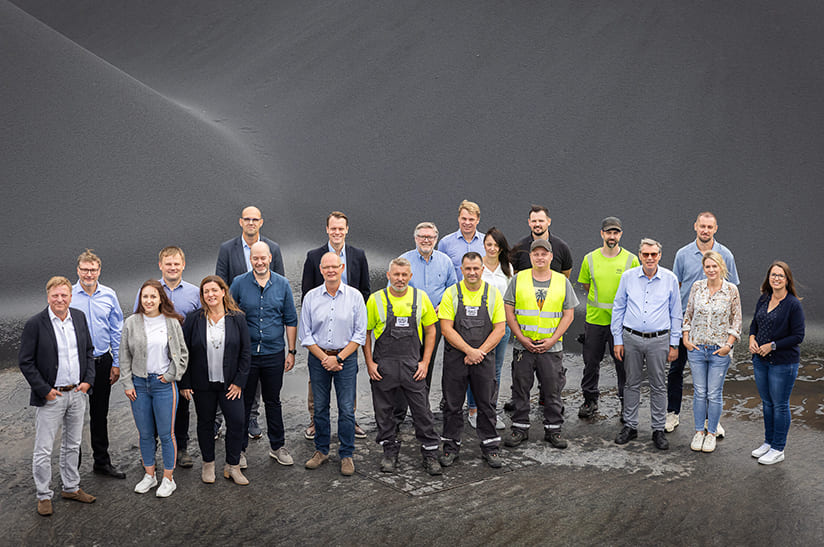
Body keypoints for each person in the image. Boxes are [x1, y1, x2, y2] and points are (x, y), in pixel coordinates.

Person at [19, 276, 97, 516]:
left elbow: (88, 352)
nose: (60, 299)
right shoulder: (36, 324)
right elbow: (26, 361)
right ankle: (43, 495)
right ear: (48, 297)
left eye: (64, 295)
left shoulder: (79, 318)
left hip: (77, 392)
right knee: (43, 448)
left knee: (73, 444)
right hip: (51, 397)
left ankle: (71, 487)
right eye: (55, 295)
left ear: (70, 296)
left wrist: (88, 382)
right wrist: (44, 390)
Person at [363, 257, 443, 475]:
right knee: (384, 412)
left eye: (404, 275)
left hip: (412, 367)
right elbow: (366, 334)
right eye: (396, 274)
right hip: (384, 367)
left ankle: (430, 454)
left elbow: (431, 331)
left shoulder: (421, 298)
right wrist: (370, 363)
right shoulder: (375, 299)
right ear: (388, 275)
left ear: (410, 276)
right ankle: (389, 451)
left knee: (423, 411)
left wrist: (425, 362)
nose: (400, 279)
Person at [216, 206, 285, 440]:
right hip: (238, 324)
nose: (251, 223)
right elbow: (221, 284)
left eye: (255, 219)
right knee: (235, 374)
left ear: (261, 222)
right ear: (240, 222)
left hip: (264, 327)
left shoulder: (272, 248)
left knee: (260, 382)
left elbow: (280, 283)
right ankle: (224, 420)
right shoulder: (227, 249)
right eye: (247, 219)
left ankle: (252, 418)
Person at [667, 212, 739, 433]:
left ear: (715, 228)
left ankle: (711, 421)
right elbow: (675, 287)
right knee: (676, 370)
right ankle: (672, 413)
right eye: (702, 226)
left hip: (715, 331)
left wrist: (729, 336)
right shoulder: (682, 254)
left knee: (711, 381)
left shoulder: (725, 254)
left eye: (709, 227)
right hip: (686, 325)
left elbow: (733, 292)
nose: (705, 230)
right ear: (695, 227)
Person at [301, 211, 370, 440]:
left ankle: (350, 421)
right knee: (317, 385)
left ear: (347, 230)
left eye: (341, 228)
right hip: (322, 332)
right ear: (327, 230)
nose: (337, 232)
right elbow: (307, 292)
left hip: (348, 332)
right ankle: (314, 421)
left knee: (348, 382)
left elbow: (365, 290)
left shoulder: (358, 255)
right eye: (333, 228)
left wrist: (357, 323)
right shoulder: (313, 256)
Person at [503, 240, 578, 449]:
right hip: (523, 348)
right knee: (520, 389)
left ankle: (553, 430)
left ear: (551, 257)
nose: (540, 257)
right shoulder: (519, 279)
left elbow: (568, 314)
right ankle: (519, 428)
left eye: (544, 254)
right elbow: (509, 310)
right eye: (536, 254)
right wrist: (521, 338)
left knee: (552, 390)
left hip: (551, 349)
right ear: (531, 257)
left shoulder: (562, 282)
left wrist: (552, 340)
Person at [231, 241, 298, 467]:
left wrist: (291, 351)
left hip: (273, 354)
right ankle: (239, 451)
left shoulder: (282, 284)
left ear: (270, 258)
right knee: (243, 403)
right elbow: (230, 316)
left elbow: (290, 319)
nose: (259, 262)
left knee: (273, 401)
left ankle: (277, 446)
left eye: (263, 258)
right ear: (251, 260)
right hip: (246, 356)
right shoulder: (239, 283)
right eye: (255, 259)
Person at [133, 246, 202, 468]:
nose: (172, 268)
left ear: (183, 265)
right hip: (153, 357)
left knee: (182, 404)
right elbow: (137, 320)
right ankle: (150, 450)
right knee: (151, 404)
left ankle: (181, 448)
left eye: (176, 264)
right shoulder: (149, 291)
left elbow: (201, 324)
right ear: (160, 265)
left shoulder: (193, 293)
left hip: (182, 359)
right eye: (168, 264)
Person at [299, 252, 367, 476]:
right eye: (326, 267)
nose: (330, 270)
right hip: (318, 360)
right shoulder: (310, 297)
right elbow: (306, 335)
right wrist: (325, 359)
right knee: (320, 408)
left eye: (334, 267)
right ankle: (321, 451)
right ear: (320, 269)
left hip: (345, 360)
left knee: (347, 410)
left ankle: (346, 454)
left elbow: (359, 335)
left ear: (342, 267)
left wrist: (338, 359)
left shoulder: (355, 296)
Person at [120, 280, 188, 497]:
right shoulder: (131, 322)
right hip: (139, 386)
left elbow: (182, 354)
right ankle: (150, 475)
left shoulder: (171, 322)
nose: (148, 301)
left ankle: (168, 478)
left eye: (153, 296)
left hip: (163, 385)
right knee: (145, 434)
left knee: (167, 434)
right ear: (140, 299)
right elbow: (124, 356)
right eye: (145, 297)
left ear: (161, 299)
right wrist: (128, 383)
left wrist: (170, 376)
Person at [612, 239, 681, 450]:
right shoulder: (628, 277)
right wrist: (617, 340)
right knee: (631, 383)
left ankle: (658, 429)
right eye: (645, 254)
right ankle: (630, 426)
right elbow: (618, 308)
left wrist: (674, 344)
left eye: (653, 254)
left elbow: (676, 314)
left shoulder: (670, 279)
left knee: (658, 385)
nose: (649, 258)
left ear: (659, 255)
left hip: (659, 340)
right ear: (639, 255)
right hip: (631, 338)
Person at [181, 276, 251, 485]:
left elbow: (246, 352)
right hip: (203, 384)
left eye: (214, 290)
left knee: (237, 422)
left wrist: (239, 381)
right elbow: (184, 351)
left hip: (230, 384)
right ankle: (208, 463)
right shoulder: (194, 319)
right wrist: (185, 382)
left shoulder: (237, 318)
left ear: (223, 292)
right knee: (205, 423)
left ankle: (233, 465)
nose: (210, 295)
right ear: (202, 296)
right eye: (206, 292)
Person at [439, 252, 506, 468]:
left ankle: (491, 448)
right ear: (462, 270)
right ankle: (450, 448)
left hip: (483, 359)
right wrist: (469, 350)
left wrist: (479, 353)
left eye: (476, 268)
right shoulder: (451, 293)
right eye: (467, 268)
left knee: (486, 404)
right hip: (456, 359)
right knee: (452, 405)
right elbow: (446, 328)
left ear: (482, 269)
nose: (472, 273)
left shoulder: (493, 294)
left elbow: (500, 329)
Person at [576, 218, 639, 419]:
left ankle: (625, 404)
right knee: (591, 363)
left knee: (622, 365)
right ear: (602, 234)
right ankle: (590, 400)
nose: (612, 237)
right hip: (595, 321)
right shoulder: (590, 259)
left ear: (620, 235)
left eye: (616, 233)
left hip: (621, 323)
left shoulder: (631, 260)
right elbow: (586, 286)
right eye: (608, 233)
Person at [70, 249, 125, 479]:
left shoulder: (109, 295)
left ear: (99, 270)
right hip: (76, 364)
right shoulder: (69, 295)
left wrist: (117, 362)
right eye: (85, 269)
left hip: (103, 361)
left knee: (99, 414)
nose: (89, 273)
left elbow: (117, 329)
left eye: (93, 269)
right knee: (73, 415)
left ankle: (101, 463)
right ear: (78, 270)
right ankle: (72, 468)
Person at [682, 251, 742, 453]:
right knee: (699, 392)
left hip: (719, 351)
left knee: (714, 393)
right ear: (703, 268)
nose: (711, 270)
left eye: (714, 266)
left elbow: (737, 320)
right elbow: (688, 313)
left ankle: (711, 433)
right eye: (707, 266)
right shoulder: (697, 287)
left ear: (721, 267)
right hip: (697, 349)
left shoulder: (731, 290)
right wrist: (686, 339)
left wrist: (728, 345)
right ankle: (699, 431)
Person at [748, 261, 805, 465]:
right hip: (760, 360)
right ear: (768, 277)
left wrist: (771, 346)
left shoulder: (793, 304)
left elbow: (798, 336)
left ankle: (778, 448)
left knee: (780, 405)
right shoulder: (764, 298)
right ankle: (768, 442)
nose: (776, 278)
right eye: (773, 275)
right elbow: (754, 322)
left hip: (783, 363)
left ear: (787, 279)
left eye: (781, 275)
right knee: (767, 404)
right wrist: (752, 338)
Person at [400, 221, 457, 406]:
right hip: (409, 321)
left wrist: (442, 305)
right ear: (415, 238)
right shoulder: (404, 261)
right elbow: (393, 290)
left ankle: (421, 407)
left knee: (427, 362)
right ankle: (399, 409)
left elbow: (453, 290)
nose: (426, 240)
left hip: (435, 320)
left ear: (436, 239)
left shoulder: (445, 261)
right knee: (407, 362)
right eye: (422, 236)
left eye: (430, 237)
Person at [466, 227, 512, 430]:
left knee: (495, 369)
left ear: (502, 247)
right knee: (475, 366)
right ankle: (474, 410)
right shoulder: (477, 266)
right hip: (477, 326)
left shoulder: (508, 269)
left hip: (501, 326)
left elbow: (511, 299)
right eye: (489, 244)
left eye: (496, 245)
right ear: (484, 245)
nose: (492, 248)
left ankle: (490, 409)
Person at [509, 205, 573, 276]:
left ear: (549, 221)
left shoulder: (562, 247)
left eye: (541, 221)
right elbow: (513, 275)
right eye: (534, 221)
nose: (537, 224)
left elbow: (565, 276)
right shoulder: (519, 248)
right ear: (529, 222)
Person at [437, 200, 485, 281]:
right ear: (458, 218)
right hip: (454, 292)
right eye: (464, 218)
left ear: (478, 220)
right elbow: (440, 273)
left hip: (481, 292)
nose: (467, 222)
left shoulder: (487, 243)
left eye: (471, 219)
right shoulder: (445, 243)